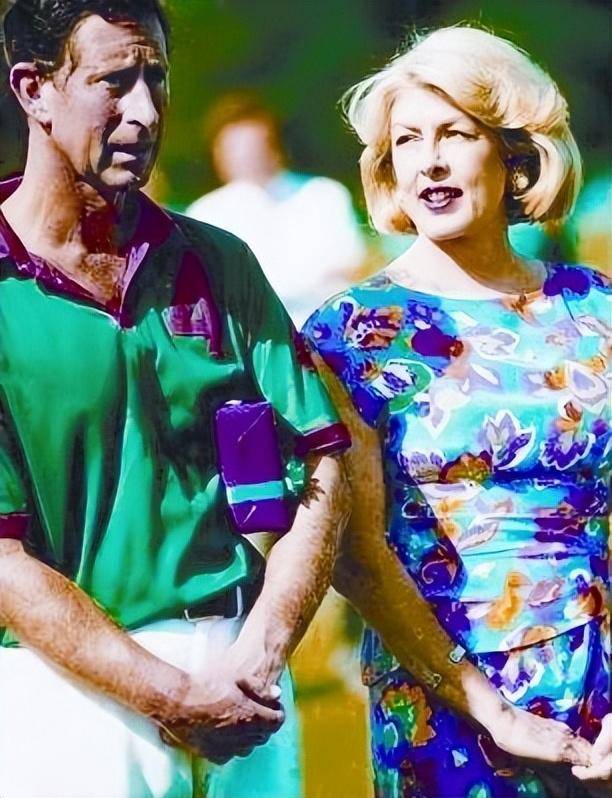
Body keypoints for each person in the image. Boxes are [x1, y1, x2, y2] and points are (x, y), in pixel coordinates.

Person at [0, 2, 351, 797]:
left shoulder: (219, 261)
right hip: (64, 695)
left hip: (246, 681)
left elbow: (322, 461)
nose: (147, 111)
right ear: (34, 89)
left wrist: (263, 648)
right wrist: (168, 695)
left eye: (156, 77)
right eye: (114, 81)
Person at [302, 26, 611, 797]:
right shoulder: (350, 334)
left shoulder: (597, 307)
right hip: (445, 705)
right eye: (407, 141)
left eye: (454, 134)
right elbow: (355, 554)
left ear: (513, 154)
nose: (429, 161)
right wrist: (492, 711)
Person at [186, 94, 368, 328]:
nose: (247, 158)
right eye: (235, 150)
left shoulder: (323, 195)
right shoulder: (205, 213)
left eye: (254, 147)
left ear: (275, 146)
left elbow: (349, 268)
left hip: (325, 328)